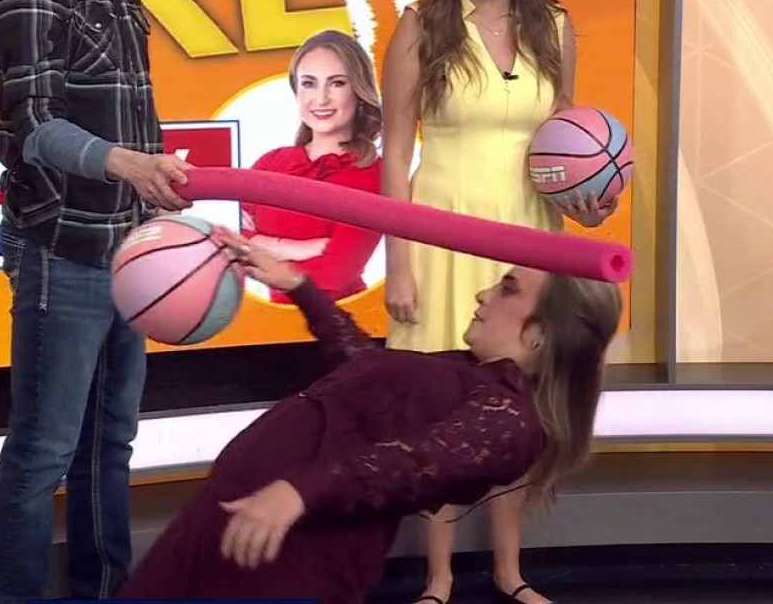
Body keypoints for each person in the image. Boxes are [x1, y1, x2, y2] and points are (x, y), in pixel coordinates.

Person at [117, 226, 622, 602]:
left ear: (541, 334)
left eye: (508, 288)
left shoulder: (511, 420)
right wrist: (300, 286)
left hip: (287, 553)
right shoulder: (467, 372)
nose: (484, 293)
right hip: (239, 518)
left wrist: (299, 492)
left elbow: (408, 465)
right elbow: (364, 370)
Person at [379, 0, 619, 602]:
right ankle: (439, 579)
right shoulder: (420, 26)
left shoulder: (554, 26)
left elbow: (568, 145)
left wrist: (592, 210)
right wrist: (398, 262)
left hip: (529, 239)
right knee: (440, 414)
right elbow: (396, 153)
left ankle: (510, 574)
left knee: (521, 409)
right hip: (441, 233)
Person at [0, 0, 193, 602]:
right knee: (43, 454)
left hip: (130, 248)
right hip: (61, 247)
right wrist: (129, 165)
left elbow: (128, 107)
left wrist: (152, 195)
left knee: (109, 445)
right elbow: (34, 123)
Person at [242, 30, 384, 303]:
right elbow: (236, 243)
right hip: (271, 322)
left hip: (341, 320)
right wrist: (299, 248)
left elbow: (335, 274)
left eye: (337, 83)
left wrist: (262, 246)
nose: (321, 99)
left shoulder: (372, 172)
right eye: (309, 83)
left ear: (358, 91)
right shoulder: (270, 164)